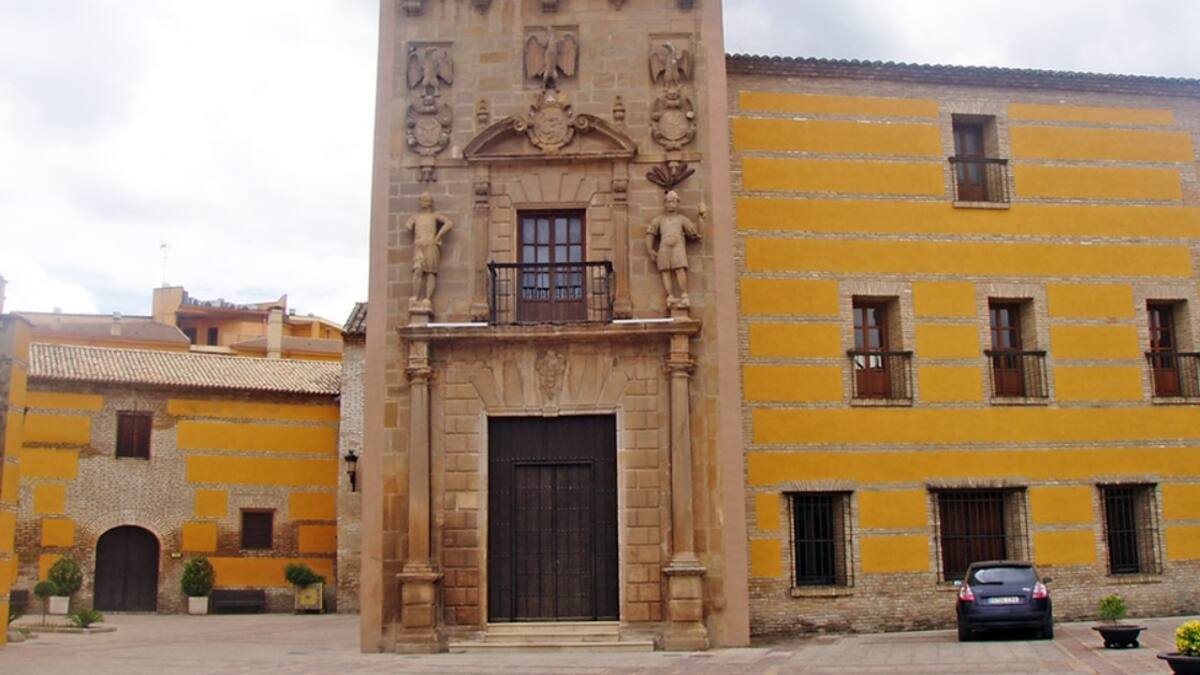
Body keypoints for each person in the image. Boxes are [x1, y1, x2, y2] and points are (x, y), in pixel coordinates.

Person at [645, 190, 704, 308]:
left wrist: (701, 217)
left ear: (677, 204)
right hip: (664, 248)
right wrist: (650, 249)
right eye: (668, 202)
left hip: (678, 247)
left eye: (673, 202)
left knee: (679, 269)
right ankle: (670, 296)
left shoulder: (682, 219)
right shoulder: (659, 220)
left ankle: (684, 295)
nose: (670, 204)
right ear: (664, 204)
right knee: (665, 271)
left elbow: (695, 233)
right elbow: (650, 233)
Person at [405, 192, 453, 308]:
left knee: (431, 272)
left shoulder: (434, 216)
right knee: (417, 270)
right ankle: (415, 296)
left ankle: (427, 299)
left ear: (430, 202)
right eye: (422, 199)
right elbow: (408, 225)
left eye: (426, 199)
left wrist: (438, 236)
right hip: (419, 246)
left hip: (431, 245)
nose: (423, 202)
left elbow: (449, 223)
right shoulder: (415, 217)